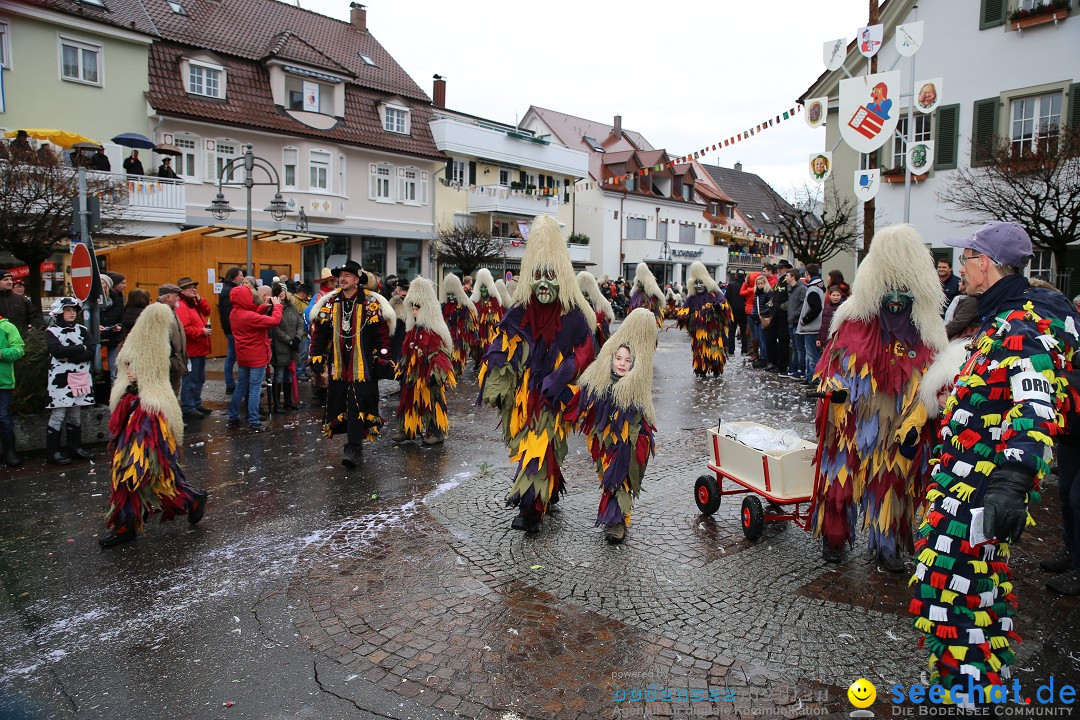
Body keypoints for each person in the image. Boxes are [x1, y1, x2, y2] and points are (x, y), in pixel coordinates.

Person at [911, 222, 1080, 698]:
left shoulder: (1021, 324)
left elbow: (1035, 406)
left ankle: (969, 691)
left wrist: (1012, 481)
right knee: (964, 590)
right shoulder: (998, 318)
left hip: (982, 491)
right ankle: (964, 679)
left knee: (958, 590)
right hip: (961, 482)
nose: (960, 268)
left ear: (985, 264)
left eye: (965, 259)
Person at [812, 224, 947, 571]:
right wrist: (836, 391)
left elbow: (934, 378)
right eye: (890, 289)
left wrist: (923, 411)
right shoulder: (855, 321)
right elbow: (834, 363)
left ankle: (888, 548)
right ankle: (835, 538)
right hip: (853, 417)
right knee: (840, 477)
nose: (897, 300)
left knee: (893, 482)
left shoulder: (928, 330)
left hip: (899, 422)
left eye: (904, 290)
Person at [478, 215, 596, 533]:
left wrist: (562, 376)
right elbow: (504, 343)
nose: (544, 284)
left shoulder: (573, 315)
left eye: (551, 276)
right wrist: (499, 376)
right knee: (534, 444)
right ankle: (548, 491)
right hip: (526, 395)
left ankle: (532, 509)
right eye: (538, 276)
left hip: (555, 397)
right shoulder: (520, 309)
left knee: (542, 445)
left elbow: (585, 353)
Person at [98, 303, 208, 548]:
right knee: (139, 472)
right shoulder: (141, 342)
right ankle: (185, 501)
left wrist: (139, 375)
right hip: (135, 410)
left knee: (140, 470)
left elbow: (154, 374)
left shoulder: (154, 345)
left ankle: (185, 501)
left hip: (148, 416)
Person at [569, 308, 658, 544]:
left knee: (620, 476)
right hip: (604, 436)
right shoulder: (602, 377)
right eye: (618, 359)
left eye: (627, 360)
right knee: (607, 475)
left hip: (628, 436)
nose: (622, 363)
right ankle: (615, 516)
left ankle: (616, 520)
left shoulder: (639, 378)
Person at [308, 260, 396, 467]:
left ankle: (353, 448)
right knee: (341, 405)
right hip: (338, 367)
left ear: (357, 280)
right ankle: (353, 445)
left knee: (358, 405)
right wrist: (316, 356)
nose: (342, 279)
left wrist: (383, 356)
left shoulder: (370, 303)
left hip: (363, 367)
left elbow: (381, 335)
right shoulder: (330, 303)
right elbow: (320, 334)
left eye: (347, 275)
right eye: (340, 276)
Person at [391, 277, 455, 446]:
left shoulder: (434, 332)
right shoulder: (412, 330)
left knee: (432, 402)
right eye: (412, 307)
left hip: (428, 375)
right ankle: (408, 429)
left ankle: (436, 431)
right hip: (413, 374)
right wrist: (402, 365)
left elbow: (440, 354)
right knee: (408, 398)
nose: (414, 311)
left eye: (418, 307)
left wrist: (436, 372)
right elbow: (405, 350)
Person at [44, 298, 97, 465]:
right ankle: (53, 452)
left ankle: (75, 448)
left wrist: (72, 355)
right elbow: (57, 351)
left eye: (74, 310)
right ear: (60, 311)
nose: (72, 313)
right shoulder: (51, 331)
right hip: (59, 378)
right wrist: (80, 348)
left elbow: (91, 351)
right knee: (58, 414)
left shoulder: (82, 330)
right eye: (67, 310)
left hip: (79, 377)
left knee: (75, 414)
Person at [227, 283, 282, 431]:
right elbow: (274, 321)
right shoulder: (248, 316)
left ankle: (233, 415)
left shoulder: (235, 313)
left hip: (243, 356)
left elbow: (253, 317)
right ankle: (254, 420)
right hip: (256, 356)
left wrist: (263, 307)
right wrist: (277, 306)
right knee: (255, 388)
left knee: (241, 386)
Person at [675, 261, 731, 378]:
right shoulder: (692, 297)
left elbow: (725, 306)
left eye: (701, 283)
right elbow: (685, 309)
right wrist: (682, 316)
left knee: (715, 349)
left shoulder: (714, 294)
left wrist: (717, 307)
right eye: (696, 284)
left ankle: (716, 368)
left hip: (713, 331)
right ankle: (701, 369)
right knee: (699, 350)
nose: (699, 286)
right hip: (698, 331)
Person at [175, 277, 212, 420]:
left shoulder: (193, 303)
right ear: (182, 291)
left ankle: (196, 404)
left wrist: (200, 299)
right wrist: (201, 332)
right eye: (190, 287)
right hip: (192, 349)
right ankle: (188, 407)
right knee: (190, 379)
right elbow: (184, 329)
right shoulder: (182, 306)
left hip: (200, 348)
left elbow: (207, 310)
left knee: (200, 378)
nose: (194, 289)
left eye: (194, 287)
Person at [270, 281, 304, 413]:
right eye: (279, 292)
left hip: (292, 346)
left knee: (289, 375)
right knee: (279, 375)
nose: (282, 294)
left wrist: (297, 338)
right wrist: (289, 340)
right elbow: (275, 328)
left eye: (283, 291)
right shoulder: (274, 309)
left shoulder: (292, 307)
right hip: (280, 347)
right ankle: (277, 404)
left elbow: (300, 324)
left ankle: (288, 401)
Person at [440, 273, 478, 377]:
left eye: (453, 294)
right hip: (446, 336)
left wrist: (471, 337)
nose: (451, 297)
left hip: (460, 338)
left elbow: (471, 323)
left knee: (457, 358)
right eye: (449, 294)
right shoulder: (442, 306)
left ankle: (456, 373)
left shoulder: (465, 307)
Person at [0, 311, 25, 467]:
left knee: (2, 416)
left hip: (3, 382)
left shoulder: (7, 327)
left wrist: (2, 353)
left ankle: (10, 453)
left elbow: (19, 349)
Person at [796, 264, 825, 384]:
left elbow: (816, 307)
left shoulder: (813, 289)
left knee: (811, 354)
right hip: (814, 326)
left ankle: (813, 379)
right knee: (811, 354)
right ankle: (810, 377)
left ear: (808, 273)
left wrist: (805, 320)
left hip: (811, 327)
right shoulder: (819, 287)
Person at [156, 284, 188, 396]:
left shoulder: (172, 311)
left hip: (175, 360)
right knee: (166, 394)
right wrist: (170, 356)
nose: (178, 298)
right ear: (168, 297)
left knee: (173, 392)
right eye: (176, 295)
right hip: (168, 361)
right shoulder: (159, 313)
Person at [470, 268, 504, 371]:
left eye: (485, 287)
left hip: (490, 332)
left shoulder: (495, 302)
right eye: (481, 287)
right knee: (478, 347)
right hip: (479, 332)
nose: (483, 290)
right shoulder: (475, 302)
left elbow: (499, 318)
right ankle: (478, 361)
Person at [218, 267, 244, 394]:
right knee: (234, 356)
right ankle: (233, 384)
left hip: (230, 329)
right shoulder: (231, 291)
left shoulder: (227, 289)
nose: (243, 277)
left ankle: (232, 384)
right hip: (233, 330)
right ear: (234, 276)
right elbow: (231, 313)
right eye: (241, 275)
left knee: (232, 355)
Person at [577, 271, 615, 351]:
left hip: (594, 337)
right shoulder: (575, 300)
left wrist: (597, 325)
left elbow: (607, 318)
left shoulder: (599, 301)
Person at [0, 270, 43, 338]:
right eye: (5, 280)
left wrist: (33, 328)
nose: (10, 282)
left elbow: (35, 316)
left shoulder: (21, 299)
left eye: (11, 279)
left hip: (21, 339)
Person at [100, 272, 126, 384]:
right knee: (96, 368)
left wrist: (118, 326)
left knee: (114, 371)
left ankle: (114, 397)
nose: (100, 285)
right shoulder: (90, 301)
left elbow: (122, 318)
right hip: (96, 339)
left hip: (113, 338)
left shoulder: (118, 300)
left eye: (103, 283)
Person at [785, 269, 808, 379]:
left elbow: (803, 304)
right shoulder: (791, 288)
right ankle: (794, 368)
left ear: (793, 277)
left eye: (787, 275)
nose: (786, 277)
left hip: (796, 321)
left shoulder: (802, 288)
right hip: (791, 321)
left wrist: (795, 315)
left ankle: (801, 369)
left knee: (799, 347)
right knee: (794, 347)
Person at [628, 262, 665, 328]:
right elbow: (656, 291)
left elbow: (633, 290)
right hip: (649, 300)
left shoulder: (637, 278)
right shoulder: (650, 277)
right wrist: (661, 301)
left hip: (638, 299)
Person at [749, 274, 771, 368]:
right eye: (758, 284)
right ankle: (762, 357)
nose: (760, 285)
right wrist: (753, 314)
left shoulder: (768, 293)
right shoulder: (757, 293)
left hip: (763, 317)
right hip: (757, 318)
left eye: (761, 283)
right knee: (758, 338)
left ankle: (764, 358)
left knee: (762, 339)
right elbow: (755, 306)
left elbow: (769, 306)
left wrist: (760, 313)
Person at [292, 282, 313, 380]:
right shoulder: (296, 301)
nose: (308, 295)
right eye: (306, 293)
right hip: (302, 332)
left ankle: (302, 371)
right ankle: (299, 373)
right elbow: (299, 316)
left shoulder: (304, 301)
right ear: (302, 292)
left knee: (304, 354)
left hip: (306, 332)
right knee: (302, 354)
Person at [725, 271, 748, 355]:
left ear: (736, 275)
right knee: (743, 331)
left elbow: (726, 297)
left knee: (731, 331)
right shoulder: (746, 285)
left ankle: (731, 350)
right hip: (744, 311)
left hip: (733, 311)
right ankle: (744, 350)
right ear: (744, 276)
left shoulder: (731, 285)